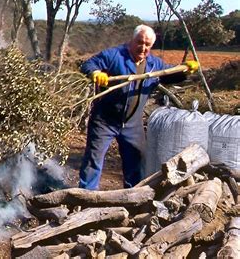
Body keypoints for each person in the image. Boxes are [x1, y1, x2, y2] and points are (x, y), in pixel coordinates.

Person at [79, 24, 199, 190]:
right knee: (93, 160)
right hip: (104, 121)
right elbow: (88, 64)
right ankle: (86, 197)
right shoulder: (114, 55)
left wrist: (185, 70)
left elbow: (170, 74)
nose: (143, 47)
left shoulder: (154, 65)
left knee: (136, 163)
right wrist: (95, 73)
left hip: (132, 124)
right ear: (132, 40)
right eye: (139, 42)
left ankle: (133, 198)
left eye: (147, 45)